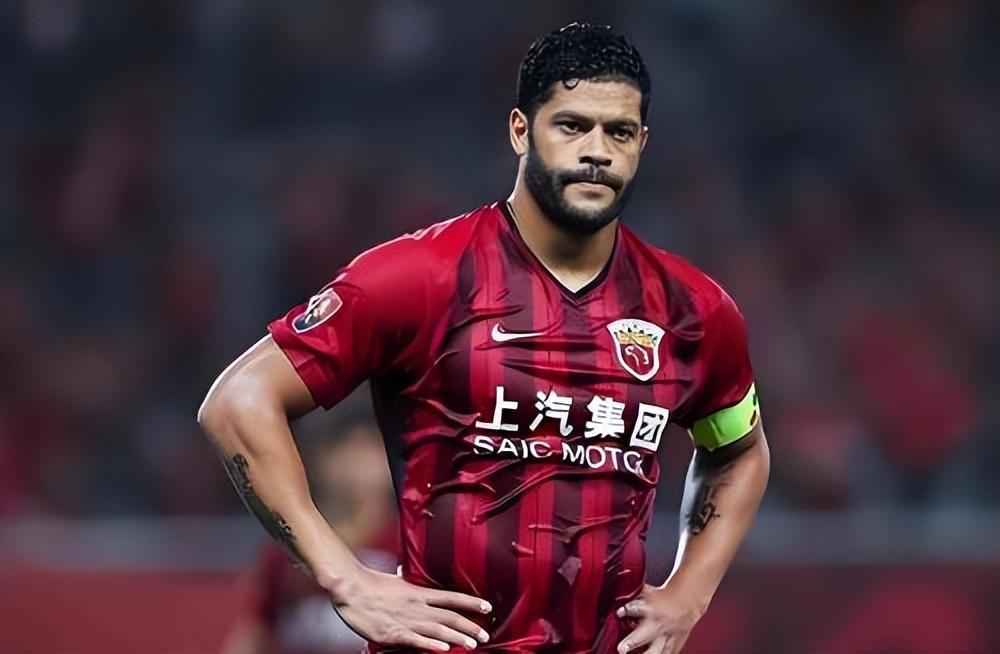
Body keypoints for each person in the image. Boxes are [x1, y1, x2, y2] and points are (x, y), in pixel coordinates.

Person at [199, 22, 770, 654]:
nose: (598, 152)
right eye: (572, 126)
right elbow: (238, 402)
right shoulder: (421, 277)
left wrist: (691, 591)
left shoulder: (693, 311)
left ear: (642, 143)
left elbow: (739, 451)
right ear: (521, 130)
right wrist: (344, 577)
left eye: (620, 132)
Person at [221, 417, 397, 654]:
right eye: (344, 450)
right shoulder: (287, 549)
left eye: (369, 451)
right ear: (318, 461)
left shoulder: (408, 545)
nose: (357, 467)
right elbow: (254, 635)